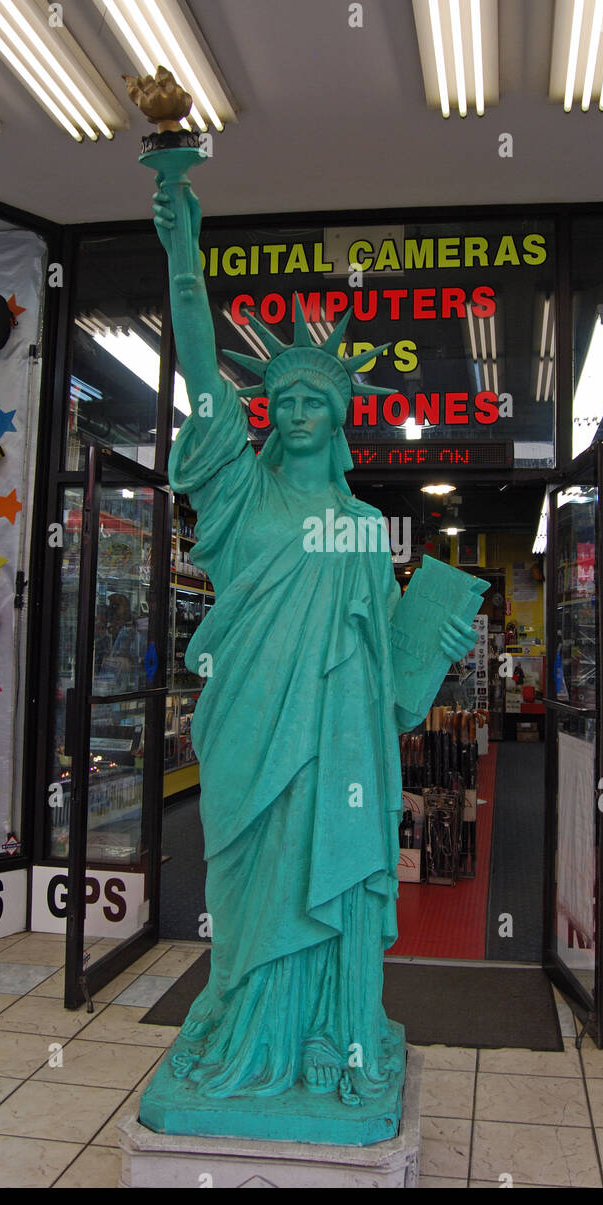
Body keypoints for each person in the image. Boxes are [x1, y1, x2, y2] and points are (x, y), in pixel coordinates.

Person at [145, 178, 474, 1119]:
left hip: (338, 747)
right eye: (281, 397)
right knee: (246, 882)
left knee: (325, 878)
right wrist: (182, 251)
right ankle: (248, 1028)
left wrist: (432, 649)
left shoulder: (369, 528)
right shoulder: (241, 496)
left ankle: (330, 1032)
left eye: (312, 401)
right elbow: (202, 372)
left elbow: (380, 674)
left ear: (338, 420)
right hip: (249, 730)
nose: (294, 411)